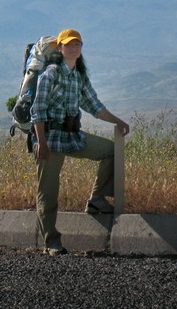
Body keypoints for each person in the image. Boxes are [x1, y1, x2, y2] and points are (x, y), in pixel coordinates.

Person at [30, 28, 130, 256]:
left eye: (77, 45)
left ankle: (96, 199)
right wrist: (41, 143)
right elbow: (38, 110)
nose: (74, 48)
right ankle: (51, 242)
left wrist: (119, 121)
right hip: (50, 139)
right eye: (69, 45)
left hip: (72, 137)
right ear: (60, 48)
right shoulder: (50, 74)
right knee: (48, 192)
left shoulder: (79, 76)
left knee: (111, 151)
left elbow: (94, 105)